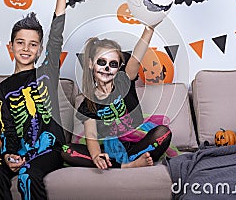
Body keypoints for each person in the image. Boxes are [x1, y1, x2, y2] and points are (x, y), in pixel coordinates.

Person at [0, 0, 70, 200]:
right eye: (20, 42)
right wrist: (9, 155)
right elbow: (7, 130)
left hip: (49, 150)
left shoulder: (46, 74)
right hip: (19, 150)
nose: (26, 48)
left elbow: (56, 39)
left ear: (40, 49)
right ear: (10, 46)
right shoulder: (1, 90)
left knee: (27, 176)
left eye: (33, 44)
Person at [62, 24, 173, 169]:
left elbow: (136, 58)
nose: (107, 68)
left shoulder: (123, 82)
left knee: (163, 133)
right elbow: (91, 136)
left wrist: (149, 30)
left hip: (136, 144)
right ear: (91, 64)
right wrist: (96, 156)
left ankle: (130, 160)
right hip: (109, 151)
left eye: (113, 64)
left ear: (119, 67)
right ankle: (125, 165)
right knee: (66, 150)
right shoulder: (88, 103)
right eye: (101, 62)